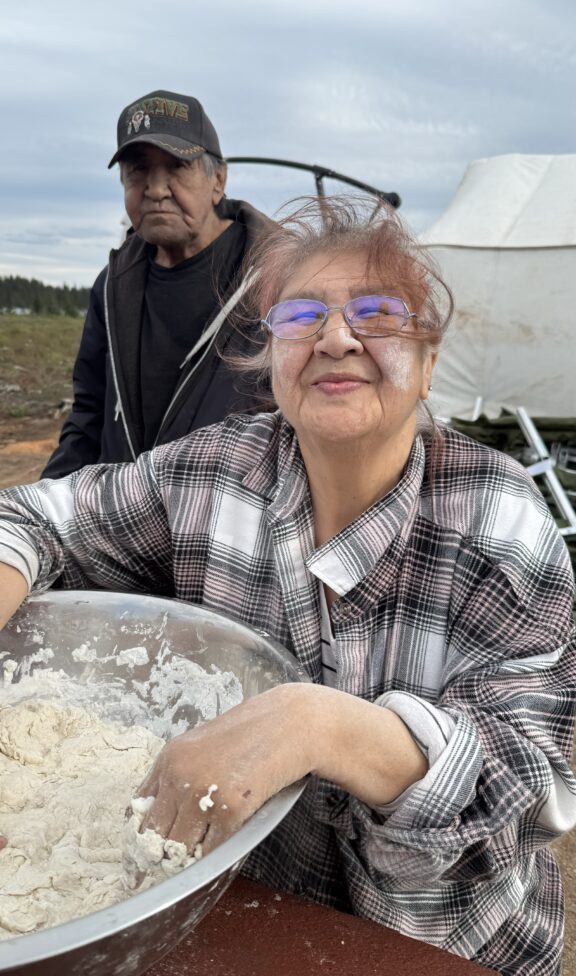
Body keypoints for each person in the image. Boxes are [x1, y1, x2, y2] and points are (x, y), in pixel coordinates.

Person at [1, 196, 575, 976]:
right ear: (269, 355)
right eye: (302, 317)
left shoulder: (502, 525)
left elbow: (532, 784)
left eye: (377, 314)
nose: (337, 337)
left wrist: (322, 725)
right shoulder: (212, 472)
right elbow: (40, 517)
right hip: (250, 914)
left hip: (445, 945)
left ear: (431, 359)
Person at [42, 89, 272, 479]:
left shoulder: (275, 275)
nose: (155, 189)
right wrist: (42, 509)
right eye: (138, 171)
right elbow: (89, 416)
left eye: (177, 168)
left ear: (218, 179)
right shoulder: (114, 286)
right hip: (125, 520)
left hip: (232, 525)